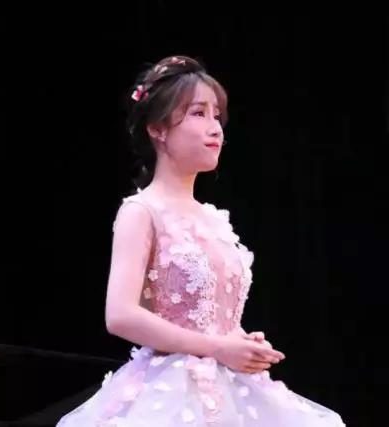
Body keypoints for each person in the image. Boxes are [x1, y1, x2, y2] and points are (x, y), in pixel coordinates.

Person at [57, 55, 345, 426]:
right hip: (172, 392)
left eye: (216, 116)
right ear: (158, 129)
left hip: (232, 386)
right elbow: (120, 315)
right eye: (198, 113)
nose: (215, 129)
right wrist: (218, 347)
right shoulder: (142, 211)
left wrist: (241, 343)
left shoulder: (213, 218)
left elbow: (215, 314)